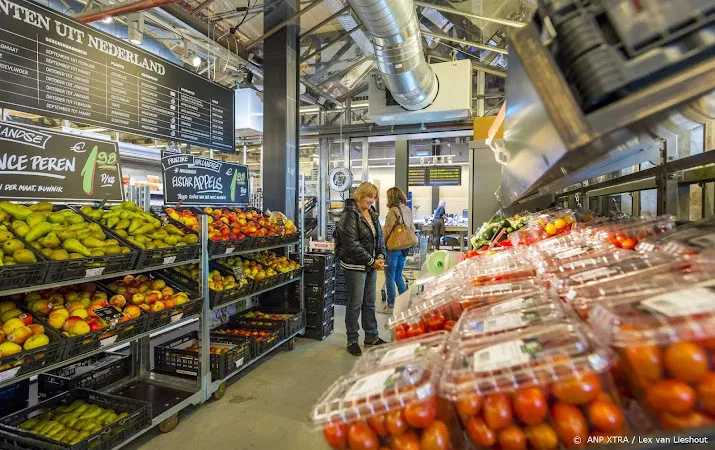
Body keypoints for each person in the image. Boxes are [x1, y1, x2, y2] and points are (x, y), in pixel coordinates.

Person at [334, 182, 388, 356]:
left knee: (370, 303)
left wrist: (380, 257)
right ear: (360, 195)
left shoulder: (372, 214)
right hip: (354, 265)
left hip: (370, 264)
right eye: (369, 196)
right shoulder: (350, 215)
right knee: (355, 304)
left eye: (374, 197)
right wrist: (372, 261)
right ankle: (352, 339)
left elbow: (379, 238)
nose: (372, 200)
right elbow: (351, 245)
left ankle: (371, 336)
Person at [380, 187, 415, 314]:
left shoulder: (393, 211)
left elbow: (387, 230)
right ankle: (404, 301)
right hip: (405, 246)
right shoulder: (408, 209)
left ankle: (391, 303)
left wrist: (382, 244)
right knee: (398, 274)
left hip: (394, 247)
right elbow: (412, 227)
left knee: (389, 275)